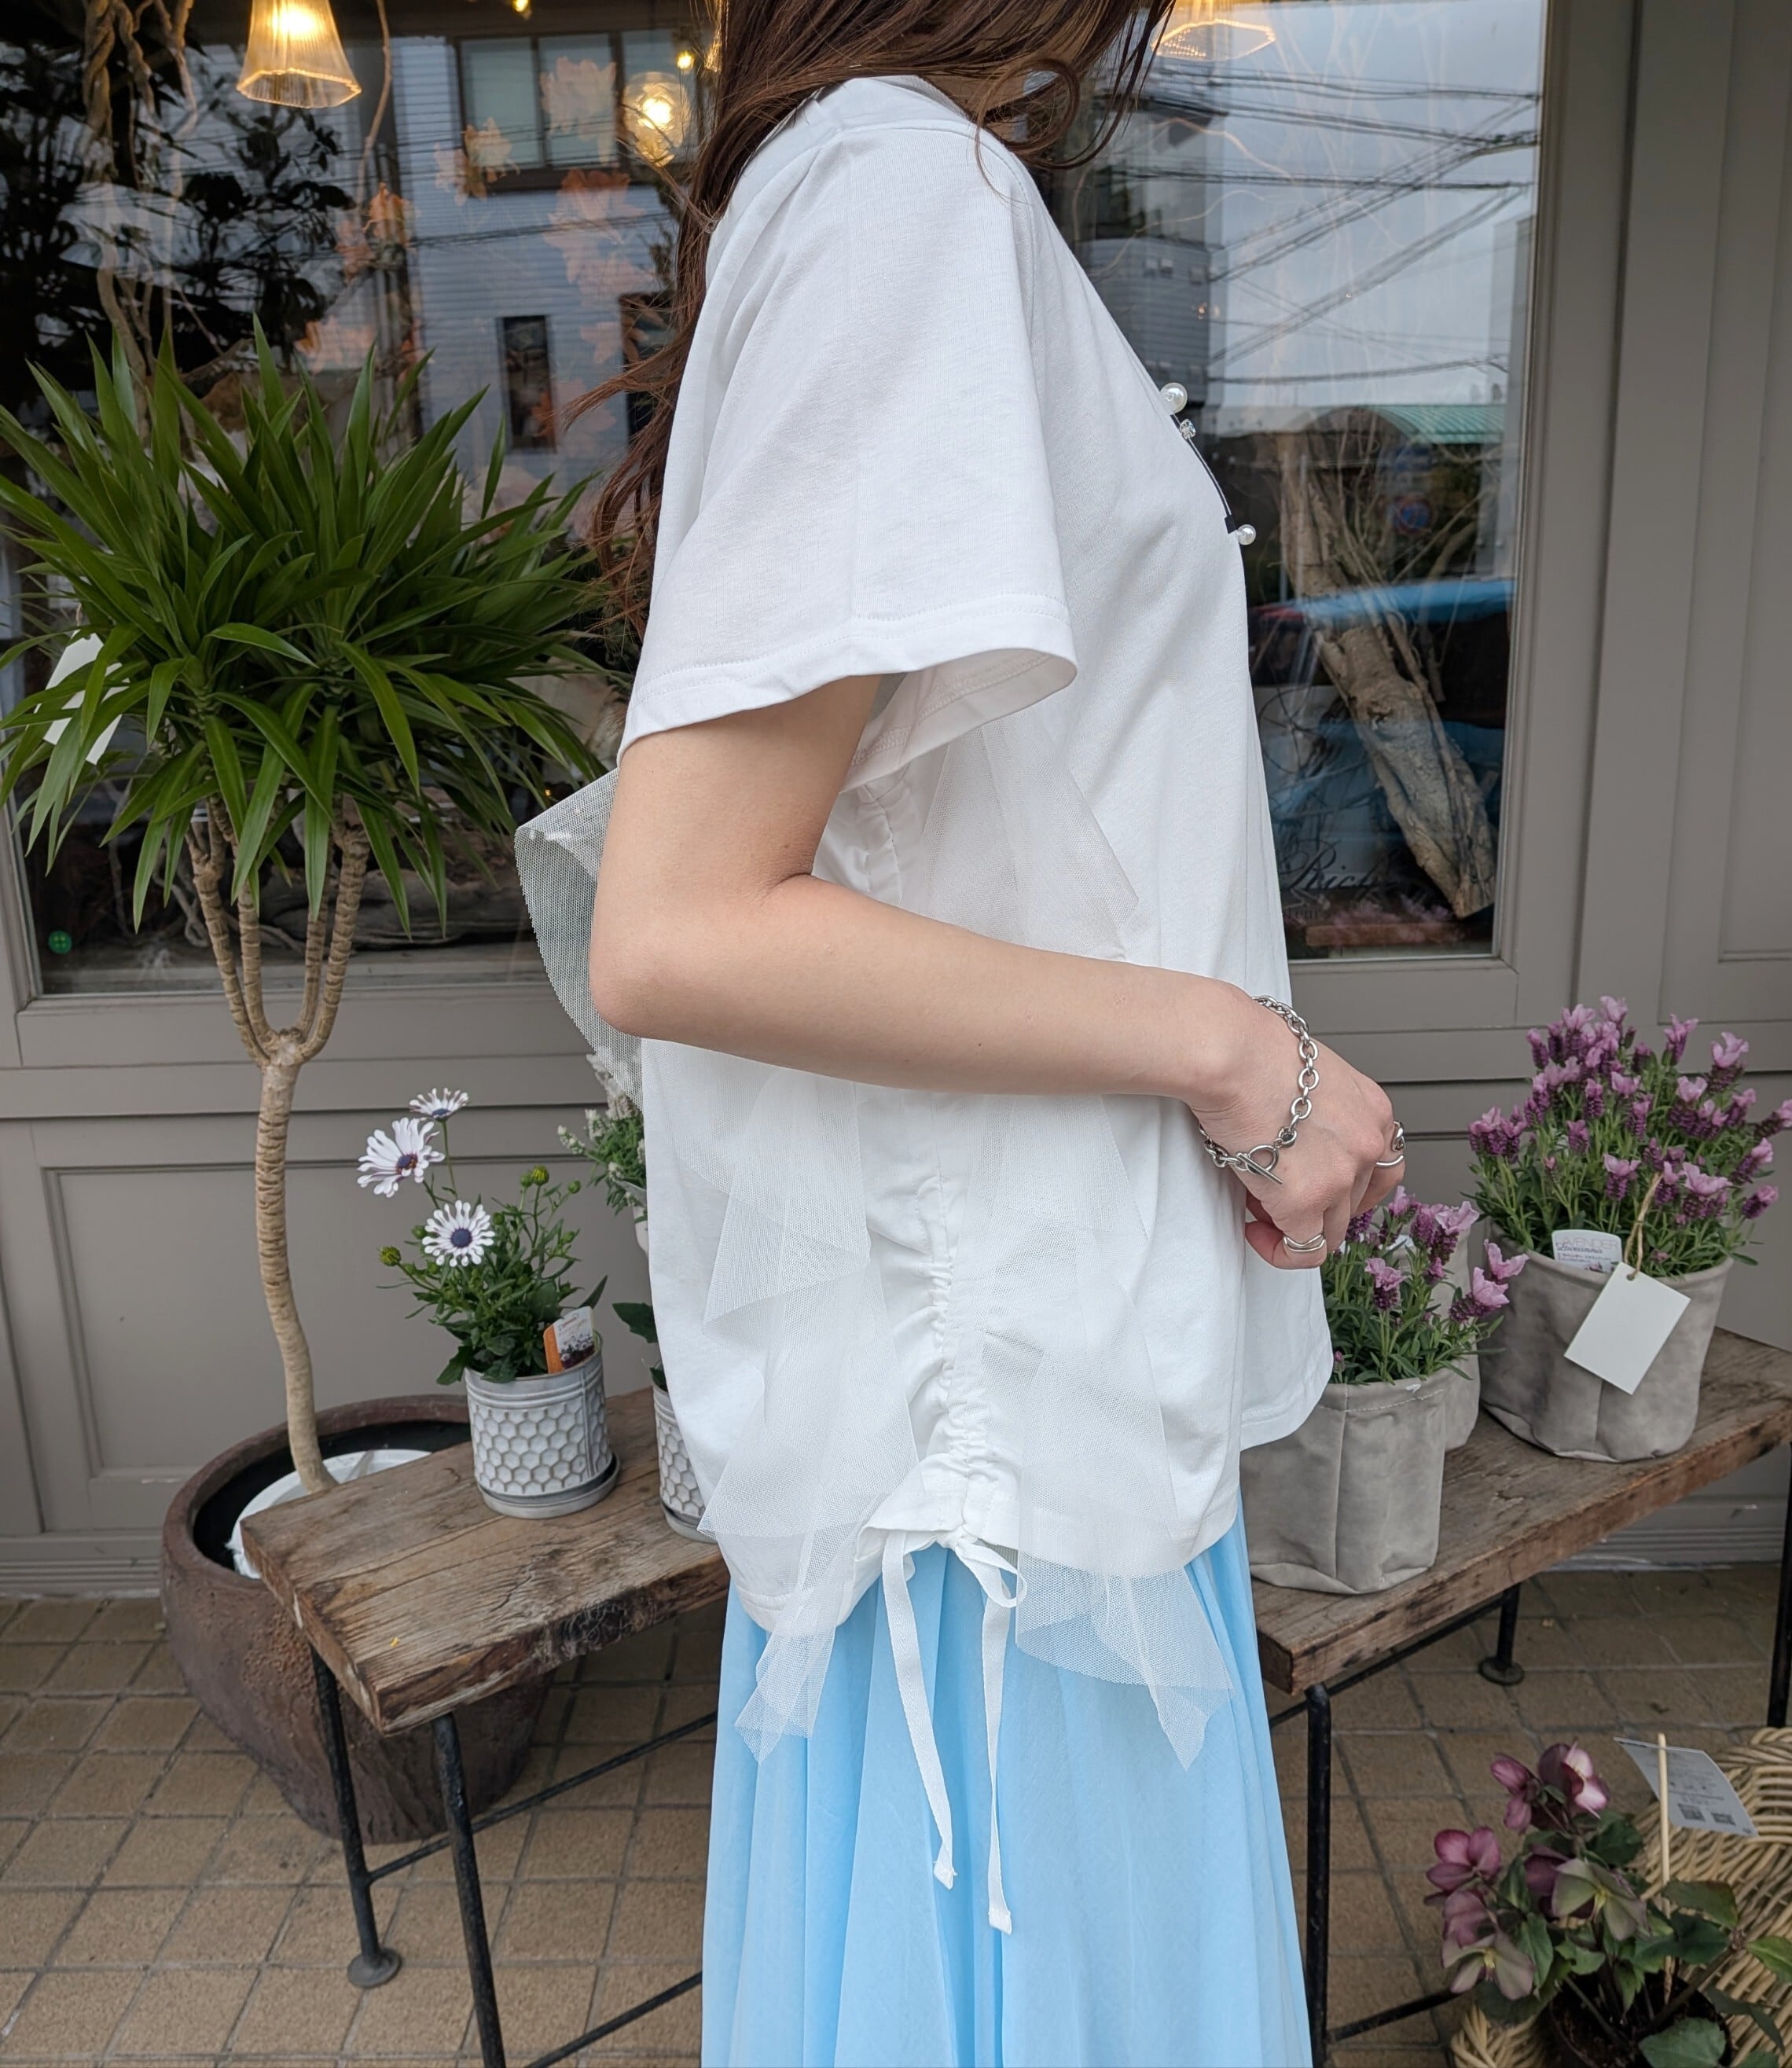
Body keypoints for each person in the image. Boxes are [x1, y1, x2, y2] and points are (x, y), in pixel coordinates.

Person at [582, 5, 1402, 2061]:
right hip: (1003, 1471)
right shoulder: (897, 191)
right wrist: (1238, 1053)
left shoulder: (883, 187)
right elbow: (680, 926)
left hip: (1016, 1425)